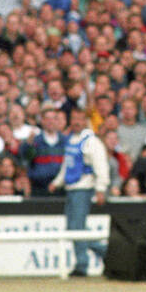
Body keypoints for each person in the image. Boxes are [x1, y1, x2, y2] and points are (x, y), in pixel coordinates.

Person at [49, 112, 111, 276]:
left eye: (79, 119)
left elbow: (101, 166)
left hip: (83, 188)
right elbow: (67, 165)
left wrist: (100, 188)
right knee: (74, 228)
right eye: (74, 119)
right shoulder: (71, 140)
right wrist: (57, 182)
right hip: (71, 188)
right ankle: (106, 253)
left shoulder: (92, 142)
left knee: (77, 227)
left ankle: (82, 264)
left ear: (85, 121)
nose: (76, 122)